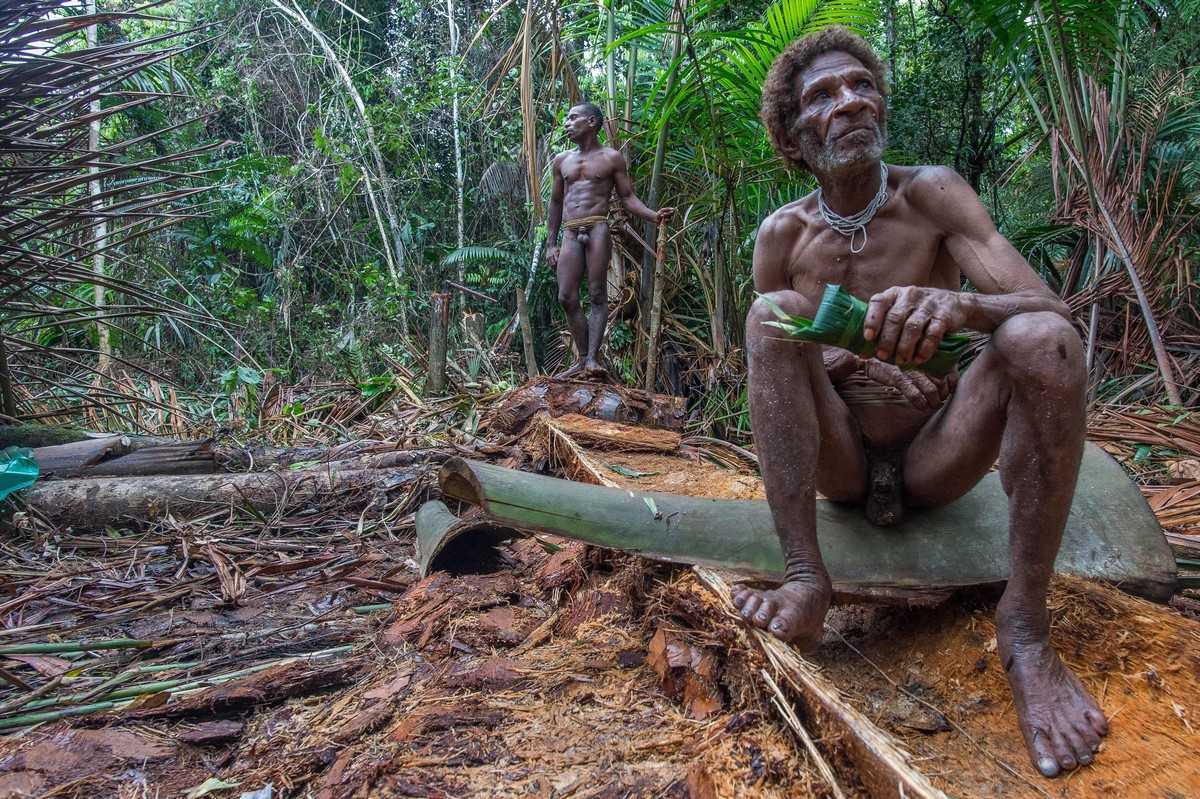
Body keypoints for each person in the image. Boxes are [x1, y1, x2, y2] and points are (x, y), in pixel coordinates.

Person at [733, 27, 1107, 778]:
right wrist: (848, 360)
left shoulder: (931, 193)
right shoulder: (782, 234)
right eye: (824, 96)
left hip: (939, 451)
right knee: (768, 314)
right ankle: (807, 577)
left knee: (1040, 339)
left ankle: (1026, 630)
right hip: (840, 460)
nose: (852, 102)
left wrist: (960, 310)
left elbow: (1050, 306)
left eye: (862, 86)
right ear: (792, 137)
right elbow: (774, 361)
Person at [546, 103, 674, 378]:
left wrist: (654, 216)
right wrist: (551, 244)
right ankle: (581, 358)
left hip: (597, 228)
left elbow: (627, 198)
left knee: (597, 294)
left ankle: (592, 359)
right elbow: (555, 202)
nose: (566, 124)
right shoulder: (561, 160)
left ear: (591, 121)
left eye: (572, 118)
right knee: (566, 296)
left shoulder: (611, 158)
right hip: (570, 231)